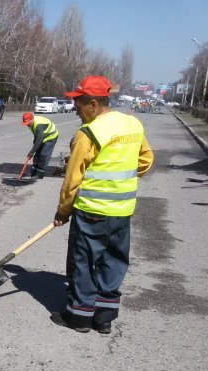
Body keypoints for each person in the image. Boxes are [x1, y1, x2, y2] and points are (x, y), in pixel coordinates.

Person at [50, 75, 154, 334]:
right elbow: (146, 160)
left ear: (93, 104)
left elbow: (72, 179)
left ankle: (80, 317)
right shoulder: (131, 124)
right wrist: (122, 178)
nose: (76, 109)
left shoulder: (89, 133)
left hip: (91, 212)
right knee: (114, 260)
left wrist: (63, 211)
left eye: (79, 103)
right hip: (122, 211)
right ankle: (104, 318)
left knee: (83, 262)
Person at [22, 112, 59, 179]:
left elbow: (39, 139)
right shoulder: (31, 124)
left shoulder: (39, 125)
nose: (27, 125)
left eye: (28, 123)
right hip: (43, 135)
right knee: (37, 154)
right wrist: (35, 146)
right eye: (26, 123)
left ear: (32, 119)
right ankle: (33, 171)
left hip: (51, 135)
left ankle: (40, 173)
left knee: (43, 154)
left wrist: (31, 152)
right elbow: (37, 135)